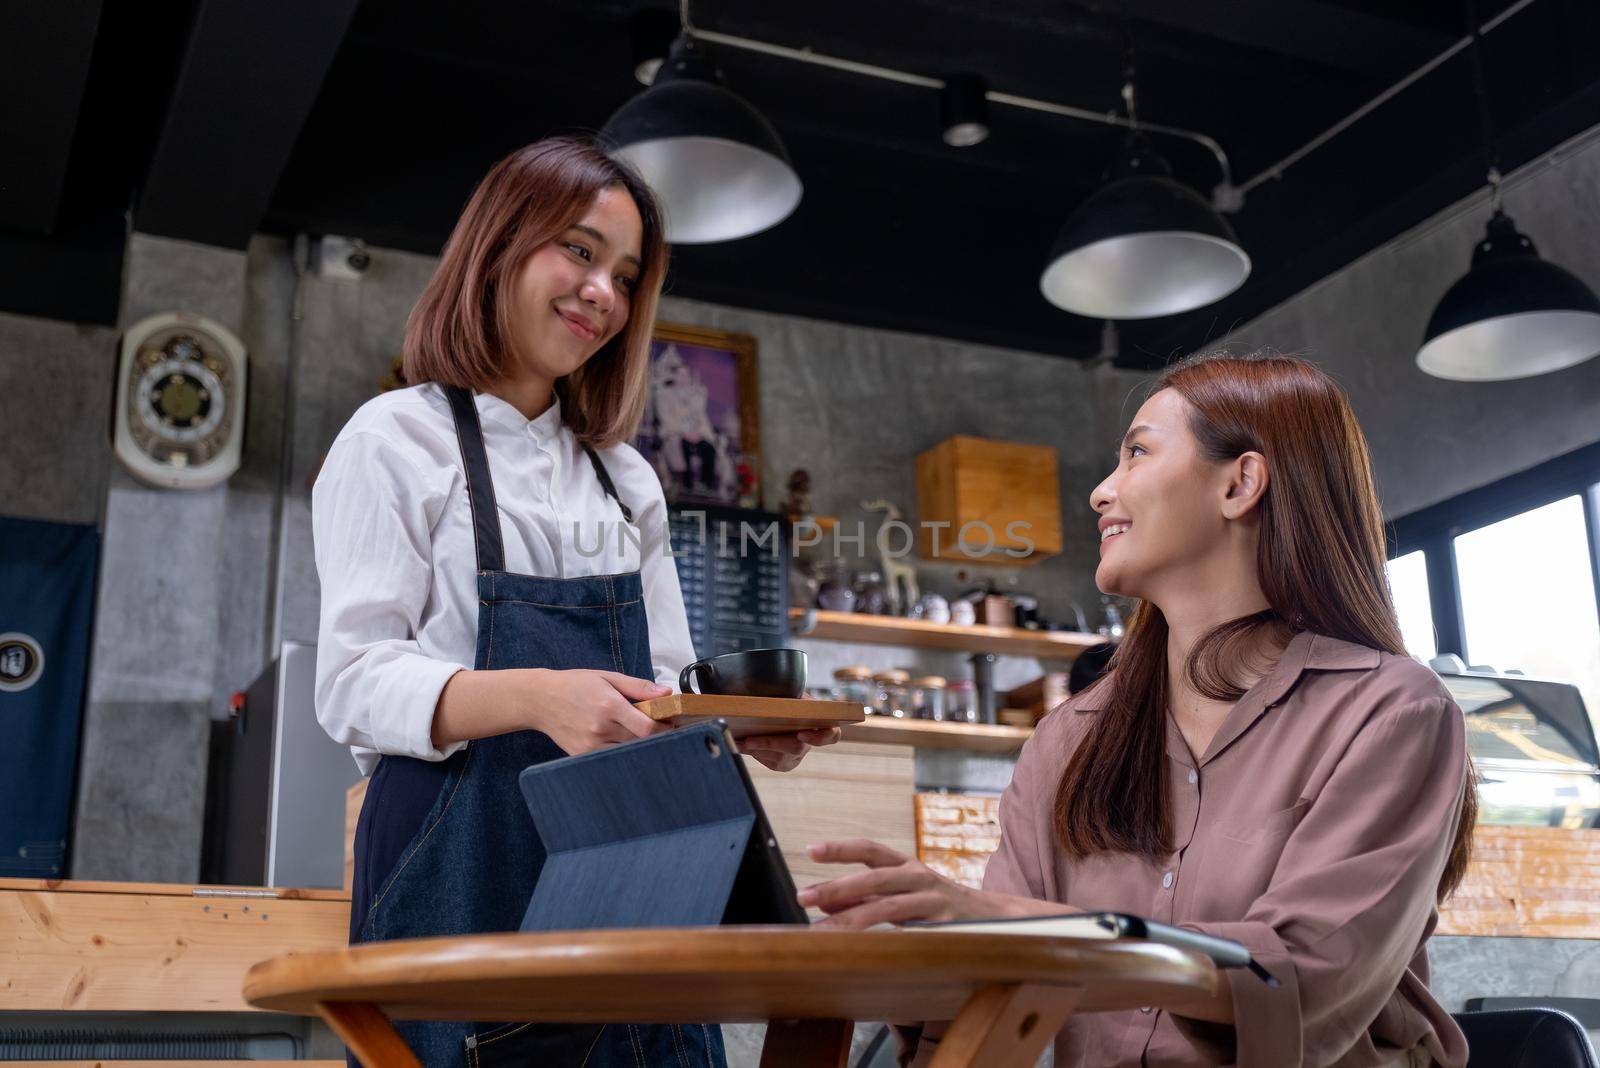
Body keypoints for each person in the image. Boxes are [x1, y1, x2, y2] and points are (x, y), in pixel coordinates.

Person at [312, 138, 837, 1067]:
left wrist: (721, 725)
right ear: (499, 245)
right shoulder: (397, 440)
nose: (604, 292)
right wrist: (538, 698)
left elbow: (658, 682)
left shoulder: (623, 476)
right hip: (457, 860)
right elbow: (353, 682)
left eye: (627, 276)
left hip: (627, 856)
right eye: (580, 252)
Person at [799, 354, 1475, 1068]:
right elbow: (997, 982)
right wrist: (907, 962)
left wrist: (1017, 923)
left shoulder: (1391, 711)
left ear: (1240, 483)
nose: (1100, 492)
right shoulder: (1070, 736)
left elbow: (1302, 977)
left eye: (1137, 453)